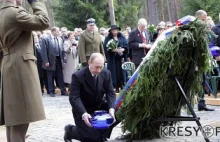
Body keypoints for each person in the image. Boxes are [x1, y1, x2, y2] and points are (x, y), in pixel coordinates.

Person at [0, 0, 50, 141]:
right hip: (20, 68)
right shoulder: (15, 13)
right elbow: (43, 21)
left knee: (14, 119)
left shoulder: (2, 14)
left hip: (9, 65)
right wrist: (35, 3)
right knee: (20, 120)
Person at [64, 53, 116, 142]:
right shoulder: (78, 76)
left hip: (99, 106)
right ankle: (70, 131)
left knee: (118, 110)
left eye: (101, 67)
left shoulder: (106, 73)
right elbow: (74, 97)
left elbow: (110, 93)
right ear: (89, 63)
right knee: (91, 138)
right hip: (84, 110)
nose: (99, 70)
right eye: (96, 67)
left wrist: (111, 109)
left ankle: (101, 136)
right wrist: (83, 114)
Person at [195, 10, 214, 111]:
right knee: (198, 81)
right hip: (196, 60)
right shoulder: (195, 29)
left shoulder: (204, 28)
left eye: (205, 19)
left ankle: (201, 103)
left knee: (203, 80)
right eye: (203, 19)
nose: (204, 21)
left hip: (202, 59)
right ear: (198, 18)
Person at [41, 27, 68, 97]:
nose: (59, 32)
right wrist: (46, 61)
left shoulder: (60, 39)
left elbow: (62, 50)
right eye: (57, 31)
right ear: (53, 31)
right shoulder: (46, 39)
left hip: (59, 59)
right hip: (50, 60)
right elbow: (44, 51)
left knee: (60, 75)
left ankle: (63, 91)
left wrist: (64, 59)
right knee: (50, 76)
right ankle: (51, 91)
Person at [104, 25, 128, 92]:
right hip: (113, 59)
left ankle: (123, 85)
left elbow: (126, 45)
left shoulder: (122, 37)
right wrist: (113, 50)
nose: (115, 32)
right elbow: (106, 48)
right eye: (113, 30)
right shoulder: (108, 38)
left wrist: (123, 49)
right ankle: (115, 87)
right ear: (111, 31)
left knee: (122, 72)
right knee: (114, 73)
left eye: (116, 30)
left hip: (121, 58)